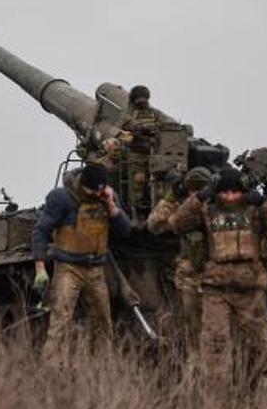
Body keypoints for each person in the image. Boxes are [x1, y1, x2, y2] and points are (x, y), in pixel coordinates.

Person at [168, 166, 267, 390]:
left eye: (235, 192)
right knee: (215, 342)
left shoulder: (255, 210)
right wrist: (199, 197)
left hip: (250, 287)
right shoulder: (207, 209)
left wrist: (264, 202)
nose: (230, 197)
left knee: (257, 344)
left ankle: (251, 389)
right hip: (216, 288)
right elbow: (176, 222)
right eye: (224, 192)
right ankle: (218, 394)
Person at [31, 162, 131, 362]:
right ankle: (50, 368)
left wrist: (112, 206)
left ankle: (101, 369)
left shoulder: (106, 198)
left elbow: (124, 231)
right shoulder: (62, 198)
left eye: (100, 190)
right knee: (60, 321)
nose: (95, 194)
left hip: (96, 269)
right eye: (92, 190)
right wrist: (40, 268)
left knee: (103, 323)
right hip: (69, 268)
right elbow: (41, 232)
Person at [147, 166, 215, 368]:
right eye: (193, 191)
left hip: (219, 277)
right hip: (191, 277)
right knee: (193, 331)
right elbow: (155, 224)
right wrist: (172, 195)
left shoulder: (219, 206)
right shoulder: (184, 209)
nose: (196, 196)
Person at [119, 85, 164, 216]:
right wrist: (142, 129)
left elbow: (164, 124)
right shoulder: (129, 113)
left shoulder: (155, 113)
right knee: (137, 183)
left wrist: (152, 128)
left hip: (154, 154)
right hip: (137, 153)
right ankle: (136, 213)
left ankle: (155, 211)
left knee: (157, 183)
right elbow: (125, 126)